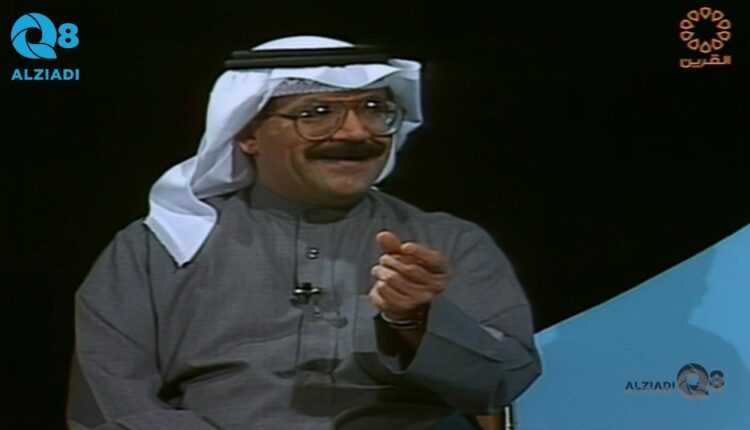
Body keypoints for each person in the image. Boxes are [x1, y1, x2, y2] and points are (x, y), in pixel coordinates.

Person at [67, 35, 541, 430]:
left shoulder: (449, 242)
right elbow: (113, 405)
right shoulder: (156, 248)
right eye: (317, 113)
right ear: (247, 134)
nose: (357, 133)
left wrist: (416, 322)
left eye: (374, 109)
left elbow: (502, 382)